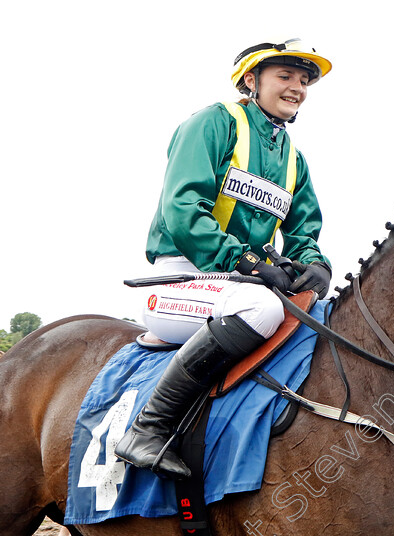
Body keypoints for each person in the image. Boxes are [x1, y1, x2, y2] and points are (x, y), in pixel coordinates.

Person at [115, 38, 333, 480]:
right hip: (178, 279)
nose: (298, 87)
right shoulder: (213, 123)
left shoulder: (294, 158)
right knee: (265, 307)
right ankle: (147, 429)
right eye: (286, 76)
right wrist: (247, 262)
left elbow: (303, 230)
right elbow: (182, 210)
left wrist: (315, 264)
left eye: (304, 80)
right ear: (252, 80)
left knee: (324, 313)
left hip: (237, 286)